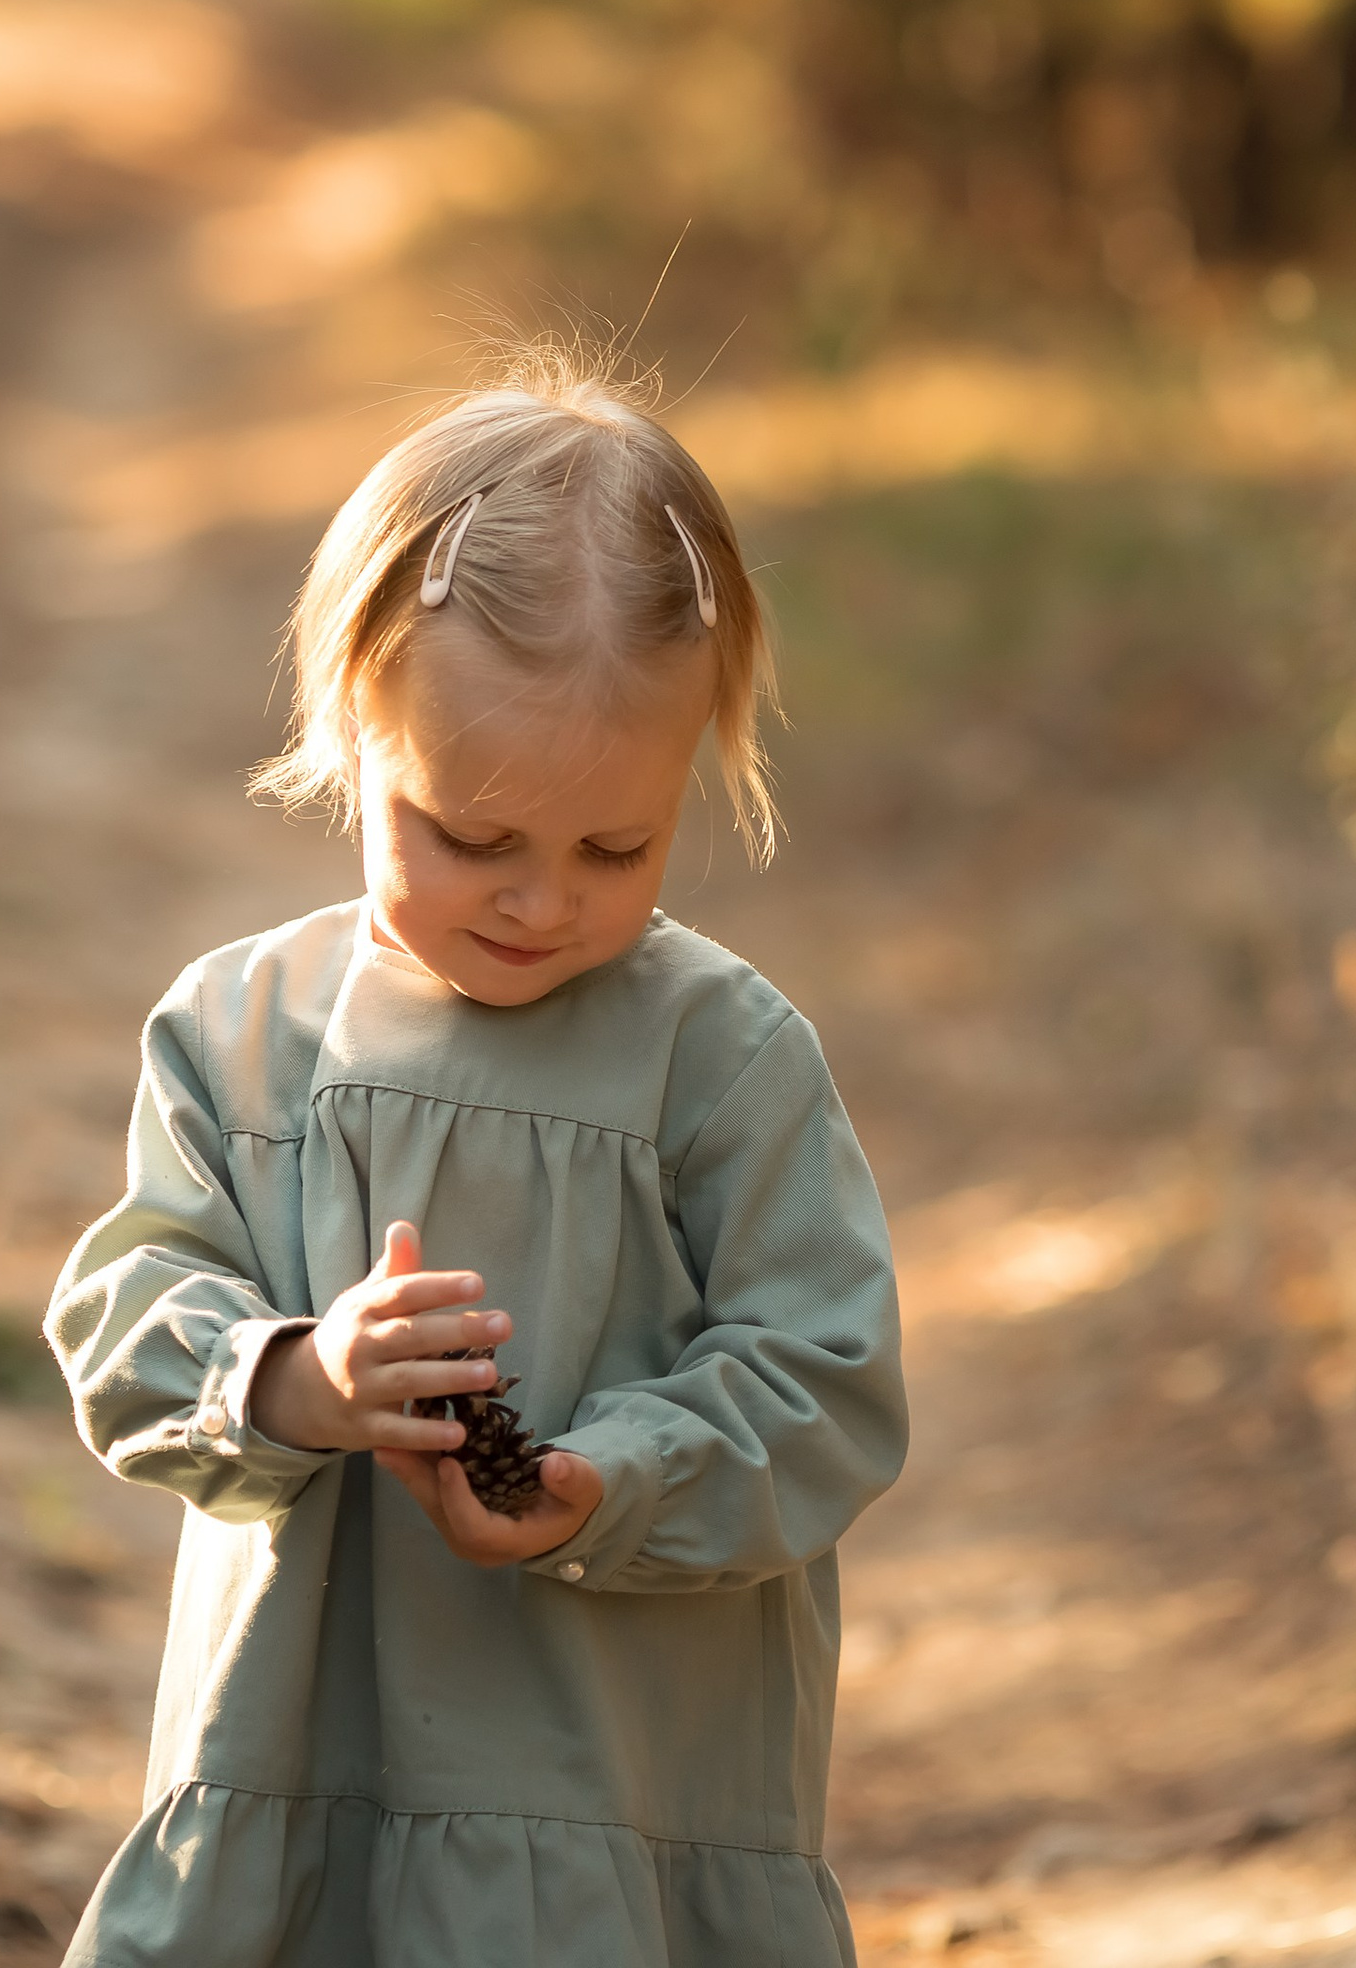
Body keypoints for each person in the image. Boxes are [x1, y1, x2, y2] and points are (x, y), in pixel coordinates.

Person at [45, 361, 908, 1967]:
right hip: (303, 1754)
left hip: (616, 1790)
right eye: (472, 836)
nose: (540, 902)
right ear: (353, 734)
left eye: (615, 848)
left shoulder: (723, 1058)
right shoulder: (243, 1038)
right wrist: (296, 1378)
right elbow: (123, 1320)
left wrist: (610, 1481)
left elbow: (827, 1386)